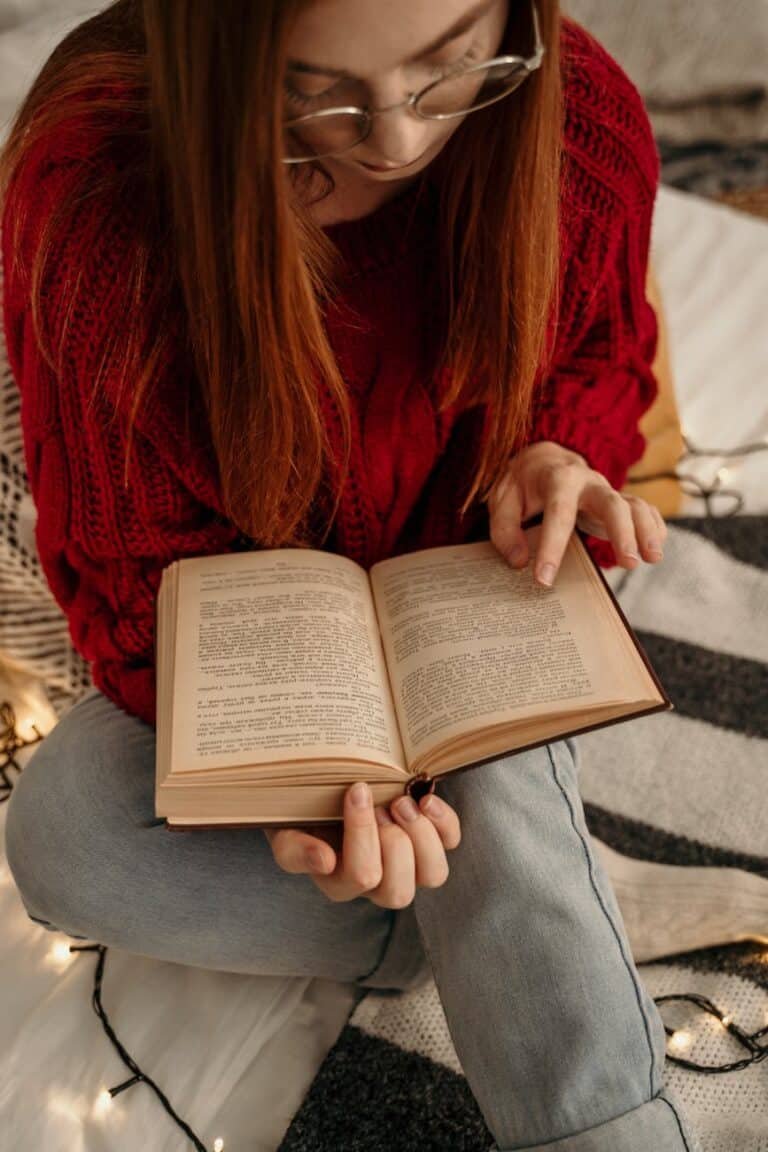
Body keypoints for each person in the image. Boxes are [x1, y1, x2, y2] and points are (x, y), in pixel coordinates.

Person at [0, 1, 701, 1148]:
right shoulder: (100, 182)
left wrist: (556, 452)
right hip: (254, 655)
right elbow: (132, 578)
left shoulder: (575, 117)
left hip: (486, 592)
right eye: (313, 89)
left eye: (446, 65)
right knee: (64, 835)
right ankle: (537, 916)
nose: (396, 141)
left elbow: (598, 356)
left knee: (495, 763)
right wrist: (301, 782)